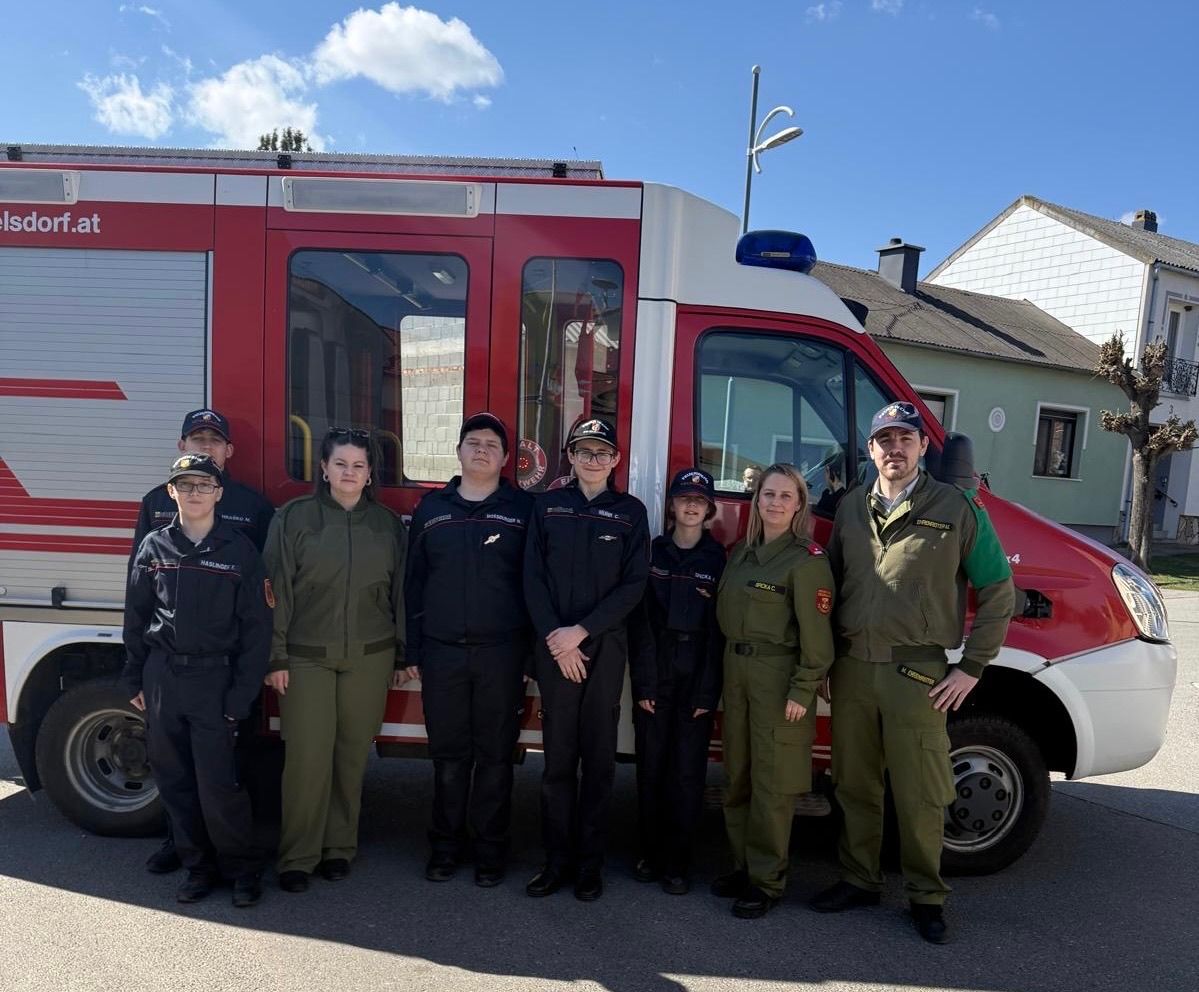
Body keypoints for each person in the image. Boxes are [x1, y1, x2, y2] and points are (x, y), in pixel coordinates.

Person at [810, 401, 1014, 944]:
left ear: (924, 446)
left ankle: (926, 895)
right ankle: (859, 879)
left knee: (920, 791)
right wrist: (826, 660)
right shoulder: (851, 509)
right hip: (853, 669)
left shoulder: (957, 507)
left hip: (916, 675)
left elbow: (998, 588)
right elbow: (831, 589)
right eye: (885, 440)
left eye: (906, 438)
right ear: (871, 449)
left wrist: (973, 667)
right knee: (854, 783)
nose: (895, 448)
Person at [121, 453, 272, 907]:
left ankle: (241, 870)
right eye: (185, 485)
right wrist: (135, 679)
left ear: (219, 493)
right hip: (163, 676)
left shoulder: (239, 550)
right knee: (175, 781)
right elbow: (136, 616)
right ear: (171, 492)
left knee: (219, 783)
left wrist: (241, 697)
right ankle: (197, 867)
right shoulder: (154, 547)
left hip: (214, 680)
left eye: (204, 484)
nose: (194, 493)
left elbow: (257, 632)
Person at [263, 428, 407, 893]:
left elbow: (401, 592)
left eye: (358, 465)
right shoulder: (294, 519)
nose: (349, 472)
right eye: (340, 464)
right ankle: (297, 856)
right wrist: (275, 656)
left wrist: (402, 652)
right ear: (323, 469)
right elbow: (275, 591)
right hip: (306, 659)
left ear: (370, 474)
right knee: (307, 760)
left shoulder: (387, 525)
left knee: (350, 758)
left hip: (370, 657)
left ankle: (338, 849)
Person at [404, 413, 534, 887]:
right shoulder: (431, 509)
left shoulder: (523, 510)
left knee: (496, 758)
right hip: (442, 654)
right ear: (458, 452)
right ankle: (444, 847)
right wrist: (412, 650)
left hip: (502, 655)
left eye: (492, 445)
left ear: (505, 458)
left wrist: (528, 657)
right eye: (473, 442)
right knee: (448, 757)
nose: (482, 450)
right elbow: (413, 583)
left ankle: (490, 852)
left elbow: (535, 587)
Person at [523, 417, 650, 902]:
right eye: (583, 451)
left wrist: (581, 632)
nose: (593, 460)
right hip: (555, 649)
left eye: (602, 452)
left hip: (603, 650)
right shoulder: (547, 507)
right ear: (571, 458)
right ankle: (555, 862)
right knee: (557, 763)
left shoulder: (630, 513)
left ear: (615, 460)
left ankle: (589, 867)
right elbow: (531, 579)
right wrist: (559, 641)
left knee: (598, 764)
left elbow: (634, 585)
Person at [710, 463, 835, 919]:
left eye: (786, 496)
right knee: (737, 777)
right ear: (756, 499)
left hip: (777, 679)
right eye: (768, 494)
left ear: (799, 504)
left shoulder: (807, 560)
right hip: (737, 674)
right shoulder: (742, 553)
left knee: (773, 785)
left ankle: (766, 881)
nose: (775, 503)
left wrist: (802, 690)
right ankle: (743, 866)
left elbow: (818, 640)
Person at [629, 468, 726, 895]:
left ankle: (678, 863)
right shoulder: (654, 552)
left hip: (696, 674)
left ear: (709, 510)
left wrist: (708, 691)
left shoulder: (718, 559)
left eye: (699, 501)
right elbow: (641, 624)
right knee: (651, 768)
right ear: (672, 505)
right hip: (658, 669)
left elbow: (719, 632)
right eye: (684, 498)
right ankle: (649, 854)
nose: (691, 506)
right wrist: (644, 684)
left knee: (687, 774)